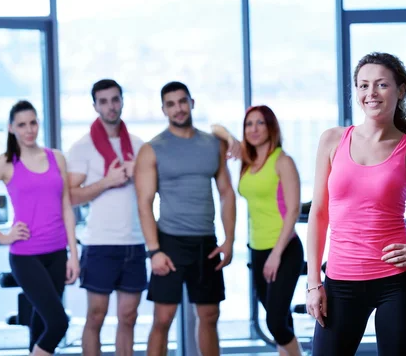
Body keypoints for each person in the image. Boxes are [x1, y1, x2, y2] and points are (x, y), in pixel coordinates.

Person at [305, 52, 406, 356]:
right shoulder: (332, 140)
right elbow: (318, 215)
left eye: (381, 85)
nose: (371, 93)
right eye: (363, 85)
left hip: (396, 285)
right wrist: (313, 283)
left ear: (401, 90)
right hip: (340, 284)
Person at [135, 81, 236, 356]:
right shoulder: (152, 149)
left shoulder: (212, 145)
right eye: (171, 104)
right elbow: (144, 203)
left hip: (207, 242)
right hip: (170, 242)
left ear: (192, 103)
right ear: (163, 109)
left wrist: (229, 240)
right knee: (163, 318)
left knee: (210, 315)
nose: (177, 108)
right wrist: (154, 251)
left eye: (182, 101)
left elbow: (227, 193)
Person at [0, 100, 79, 356]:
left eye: (33, 123)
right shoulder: (6, 162)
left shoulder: (57, 158)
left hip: (57, 253)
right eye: (22, 125)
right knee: (58, 323)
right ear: (12, 128)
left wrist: (73, 255)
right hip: (26, 256)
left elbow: (66, 206)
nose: (29, 129)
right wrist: (2, 236)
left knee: (41, 324)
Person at [212, 106, 305, 356]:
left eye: (260, 123)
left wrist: (276, 254)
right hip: (257, 250)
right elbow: (215, 128)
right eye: (248, 124)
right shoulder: (248, 158)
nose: (253, 129)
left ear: (271, 127)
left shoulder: (282, 161)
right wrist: (231, 139)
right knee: (281, 318)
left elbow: (294, 210)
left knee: (274, 322)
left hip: (284, 250)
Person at [67, 79, 147, 356]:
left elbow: (155, 191)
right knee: (96, 316)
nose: (111, 106)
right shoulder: (82, 147)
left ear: (122, 101)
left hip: (134, 242)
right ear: (95, 106)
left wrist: (139, 174)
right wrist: (107, 180)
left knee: (129, 317)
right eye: (104, 101)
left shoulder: (139, 147)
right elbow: (71, 196)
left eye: (115, 99)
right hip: (100, 243)